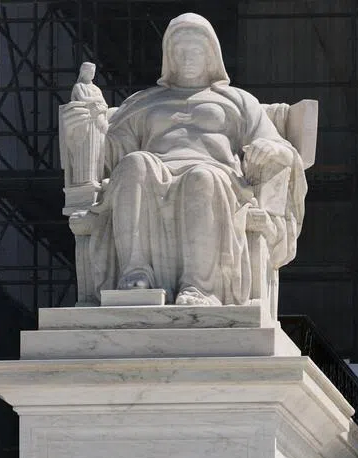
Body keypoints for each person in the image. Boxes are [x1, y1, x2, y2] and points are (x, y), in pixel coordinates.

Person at [86, 12, 306, 306]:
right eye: (180, 51)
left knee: (201, 177)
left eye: (196, 51)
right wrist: (91, 121)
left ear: (210, 55)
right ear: (170, 57)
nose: (188, 58)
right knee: (133, 164)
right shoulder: (142, 102)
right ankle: (136, 273)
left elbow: (280, 147)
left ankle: (200, 287)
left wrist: (271, 149)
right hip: (154, 171)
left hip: (217, 177)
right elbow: (111, 152)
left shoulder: (237, 100)